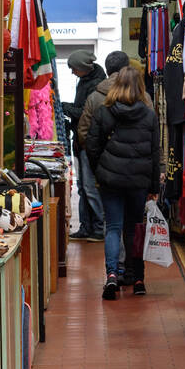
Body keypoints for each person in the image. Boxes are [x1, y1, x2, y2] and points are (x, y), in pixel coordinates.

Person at [85, 64, 160, 300]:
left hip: (111, 179)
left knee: (113, 227)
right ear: (139, 87)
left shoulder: (104, 112)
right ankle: (137, 278)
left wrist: (101, 170)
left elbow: (92, 145)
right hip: (138, 180)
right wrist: (153, 187)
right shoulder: (149, 115)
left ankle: (111, 276)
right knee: (134, 228)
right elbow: (154, 152)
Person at [62, 49, 105, 241]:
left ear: (83, 68)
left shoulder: (96, 86)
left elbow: (83, 113)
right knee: (82, 187)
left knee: (88, 187)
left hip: (88, 142)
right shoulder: (86, 82)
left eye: (73, 69)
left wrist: (64, 107)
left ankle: (99, 226)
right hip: (81, 141)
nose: (72, 72)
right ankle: (87, 227)